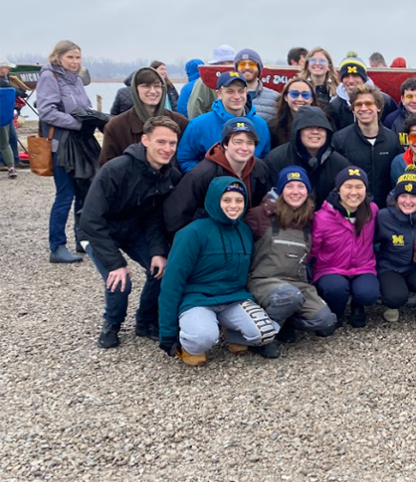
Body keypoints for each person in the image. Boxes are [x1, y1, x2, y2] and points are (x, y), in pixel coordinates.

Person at [80, 116, 182, 348]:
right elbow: (90, 219)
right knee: (119, 280)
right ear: (145, 140)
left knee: (162, 269)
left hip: (135, 229)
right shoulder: (115, 169)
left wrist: (157, 250)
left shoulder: (169, 175)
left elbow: (155, 217)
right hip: (101, 230)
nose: (167, 149)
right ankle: (112, 323)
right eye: (161, 142)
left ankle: (145, 321)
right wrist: (115, 263)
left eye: (172, 144)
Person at [158, 178, 281, 366]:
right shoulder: (193, 232)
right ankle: (189, 346)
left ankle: (232, 333)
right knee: (203, 338)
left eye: (239, 200)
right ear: (215, 200)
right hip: (198, 300)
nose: (233, 205)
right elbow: (172, 282)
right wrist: (167, 331)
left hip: (233, 298)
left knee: (266, 332)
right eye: (227, 200)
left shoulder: (244, 230)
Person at [245, 166, 336, 342]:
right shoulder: (259, 215)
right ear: (280, 190)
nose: (296, 192)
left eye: (301, 187)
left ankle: (285, 320)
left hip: (298, 284)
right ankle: (264, 336)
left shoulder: (311, 219)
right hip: (264, 281)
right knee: (289, 297)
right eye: (289, 186)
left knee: (325, 320)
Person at [37, 40, 97, 264]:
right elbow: (46, 112)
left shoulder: (77, 79)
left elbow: (85, 105)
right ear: (58, 57)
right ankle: (57, 246)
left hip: (80, 143)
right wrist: (77, 123)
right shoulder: (49, 77)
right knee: (65, 194)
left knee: (85, 190)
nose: (75, 62)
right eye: (70, 57)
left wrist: (94, 118)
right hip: (61, 145)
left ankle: (82, 239)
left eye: (78, 57)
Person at [164, 118, 271, 235]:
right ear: (225, 144)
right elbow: (176, 213)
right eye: (238, 142)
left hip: (245, 236)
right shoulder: (202, 174)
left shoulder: (260, 168)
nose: (244, 148)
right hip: (209, 238)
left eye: (250, 143)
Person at [311, 167, 380, 329]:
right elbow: (313, 248)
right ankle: (336, 313)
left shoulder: (372, 211)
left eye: (359, 187)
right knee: (335, 289)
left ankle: (358, 307)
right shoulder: (322, 217)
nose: (354, 192)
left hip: (363, 267)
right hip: (331, 268)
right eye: (348, 187)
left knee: (368, 293)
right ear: (338, 189)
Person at [375, 166, 416, 324]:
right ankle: (391, 305)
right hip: (390, 266)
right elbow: (370, 241)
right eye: (403, 196)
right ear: (396, 197)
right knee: (395, 297)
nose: (408, 201)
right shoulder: (383, 216)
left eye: (414, 196)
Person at [177, 71, 272, 171]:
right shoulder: (198, 125)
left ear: (246, 92)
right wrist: (208, 178)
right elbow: (185, 159)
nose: (236, 96)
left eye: (241, 91)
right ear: (219, 93)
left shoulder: (261, 125)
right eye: (230, 91)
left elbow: (264, 159)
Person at [331, 83, 403, 209]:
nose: (363, 108)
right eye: (358, 104)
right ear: (353, 109)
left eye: (369, 104)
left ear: (379, 107)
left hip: (384, 211)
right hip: (353, 210)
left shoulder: (393, 140)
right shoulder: (339, 140)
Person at [99, 67, 189, 166]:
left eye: (157, 86)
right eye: (146, 86)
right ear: (135, 90)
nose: (153, 91)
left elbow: (187, 159)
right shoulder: (116, 127)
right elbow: (107, 167)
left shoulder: (180, 123)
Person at [264, 106, 350, 209]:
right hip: (286, 221)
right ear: (298, 131)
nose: (315, 132)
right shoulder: (275, 159)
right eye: (308, 127)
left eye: (320, 127)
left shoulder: (341, 165)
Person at [325, 56, 398, 132]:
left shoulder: (385, 101)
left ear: (364, 79)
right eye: (346, 76)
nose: (350, 81)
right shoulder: (334, 107)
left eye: (355, 75)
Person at [267, 77, 317, 149]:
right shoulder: (273, 126)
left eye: (305, 95)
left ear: (312, 98)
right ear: (285, 97)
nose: (300, 99)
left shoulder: (321, 125)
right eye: (294, 94)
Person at [187, 44, 235, 119]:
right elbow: (195, 108)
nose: (227, 66)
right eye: (222, 63)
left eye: (230, 62)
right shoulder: (204, 81)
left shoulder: (239, 80)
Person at [232, 49, 280, 122]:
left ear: (259, 68)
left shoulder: (275, 98)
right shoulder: (226, 97)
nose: (247, 67)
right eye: (242, 64)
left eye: (252, 64)